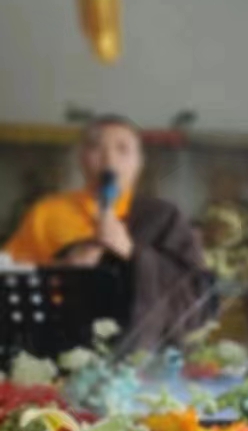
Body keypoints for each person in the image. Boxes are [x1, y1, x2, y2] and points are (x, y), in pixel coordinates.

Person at [3, 115, 208, 353]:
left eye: (122, 149)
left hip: (139, 358)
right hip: (57, 349)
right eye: (95, 147)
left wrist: (131, 251)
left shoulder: (161, 216)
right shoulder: (48, 212)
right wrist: (64, 270)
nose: (109, 159)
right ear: (81, 157)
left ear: (139, 162)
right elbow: (10, 280)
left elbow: (196, 294)